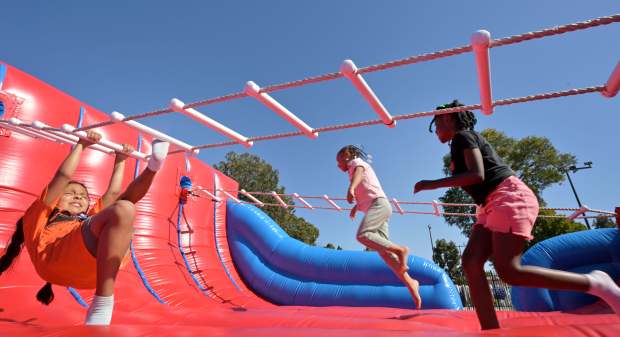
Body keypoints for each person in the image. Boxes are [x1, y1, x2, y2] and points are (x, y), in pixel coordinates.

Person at [414, 100, 620, 330]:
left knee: (509, 271)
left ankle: (596, 283)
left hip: (507, 196)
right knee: (471, 262)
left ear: (449, 118)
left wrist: (432, 184)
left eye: (437, 121)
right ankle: (490, 330)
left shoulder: (464, 136)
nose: (435, 128)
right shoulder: (458, 144)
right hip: (489, 203)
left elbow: (477, 174)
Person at [0, 131, 169, 325]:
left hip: (92, 274)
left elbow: (114, 192)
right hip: (54, 260)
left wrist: (121, 159)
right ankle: (104, 302)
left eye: (82, 195)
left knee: (124, 207)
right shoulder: (40, 215)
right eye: (70, 194)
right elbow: (62, 177)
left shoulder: (87, 220)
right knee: (123, 208)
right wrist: (82, 144)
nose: (78, 197)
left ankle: (154, 166)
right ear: (55, 200)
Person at [337, 145, 421, 309]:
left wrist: (351, 188)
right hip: (378, 207)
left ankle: (401, 250)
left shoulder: (356, 163)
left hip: (380, 206)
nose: (337, 165)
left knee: (363, 235)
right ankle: (411, 283)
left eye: (338, 161)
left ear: (346, 156)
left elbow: (360, 174)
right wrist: (356, 207)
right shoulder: (353, 172)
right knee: (384, 253)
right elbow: (367, 194)